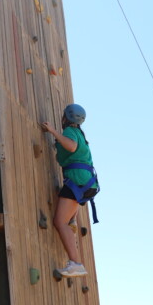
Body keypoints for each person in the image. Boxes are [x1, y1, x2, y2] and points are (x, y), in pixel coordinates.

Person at [41, 103, 99, 278]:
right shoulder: (79, 133)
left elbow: (71, 147)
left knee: (59, 222)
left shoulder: (69, 132)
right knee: (66, 216)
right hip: (86, 183)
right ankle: (72, 220)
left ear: (65, 117)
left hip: (77, 181)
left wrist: (53, 131)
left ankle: (76, 263)